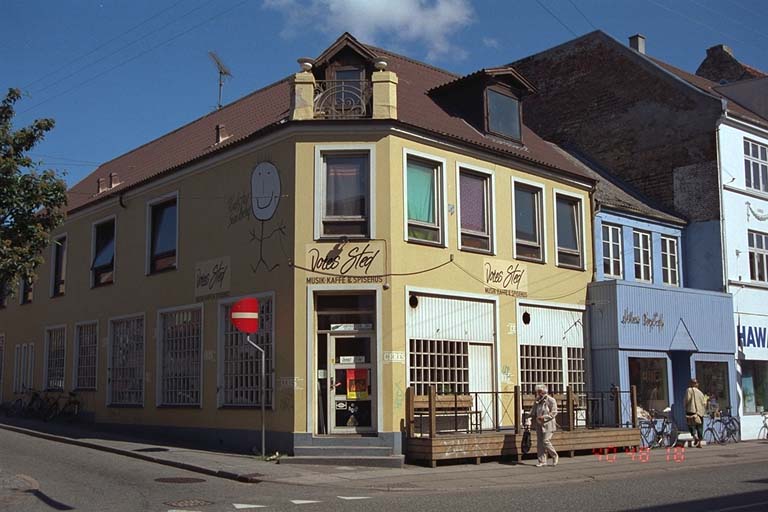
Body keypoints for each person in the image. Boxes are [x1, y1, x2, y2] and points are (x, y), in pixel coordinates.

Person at [528, 384, 559, 467]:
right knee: (540, 443)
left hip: (548, 424)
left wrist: (544, 417)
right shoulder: (537, 400)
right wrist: (528, 418)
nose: (539, 394)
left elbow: (554, 412)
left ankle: (554, 455)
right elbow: (533, 411)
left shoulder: (551, 400)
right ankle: (542, 461)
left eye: (540, 392)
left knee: (546, 441)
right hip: (539, 424)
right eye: (538, 392)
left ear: (544, 392)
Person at [685, 378, 707, 448]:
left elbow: (687, 400)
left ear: (691, 383)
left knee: (691, 426)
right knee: (700, 427)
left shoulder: (689, 390)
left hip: (691, 411)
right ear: (697, 384)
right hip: (700, 412)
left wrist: (685, 406)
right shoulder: (701, 393)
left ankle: (695, 437)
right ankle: (699, 443)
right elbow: (704, 403)